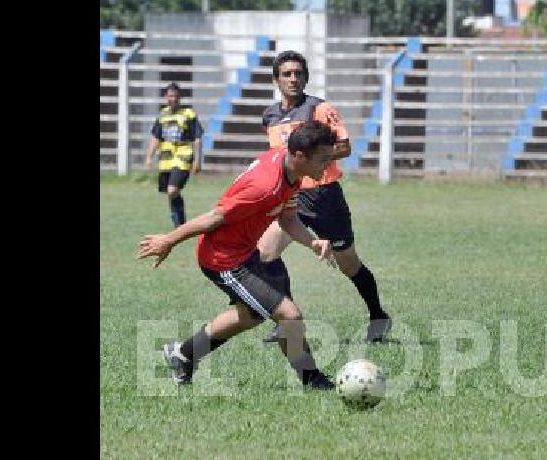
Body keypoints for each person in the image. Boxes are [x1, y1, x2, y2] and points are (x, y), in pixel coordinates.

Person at [137, 121, 340, 390]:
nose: (327, 166)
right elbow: (215, 216)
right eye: (323, 159)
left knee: (251, 315)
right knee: (289, 315)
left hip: (244, 252)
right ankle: (312, 380)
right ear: (300, 155)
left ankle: (183, 355)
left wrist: (312, 243)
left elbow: (288, 218)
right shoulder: (264, 186)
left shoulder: (291, 168)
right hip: (223, 259)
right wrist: (169, 240)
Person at [255, 50, 392, 344]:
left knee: (348, 264)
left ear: (306, 77)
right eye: (287, 74)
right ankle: (285, 318)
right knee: (265, 254)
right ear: (276, 80)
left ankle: (378, 316)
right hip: (289, 195)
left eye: (298, 73)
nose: (293, 79)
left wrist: (316, 157)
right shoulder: (270, 116)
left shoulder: (319, 109)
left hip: (323, 196)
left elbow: (344, 146)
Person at [144, 83, 203, 228]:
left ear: (180, 98)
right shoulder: (162, 114)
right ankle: (178, 221)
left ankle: (180, 222)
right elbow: (156, 137)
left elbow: (197, 138)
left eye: (176, 96)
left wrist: (197, 160)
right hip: (166, 159)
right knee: (169, 192)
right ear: (165, 97)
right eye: (170, 96)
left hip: (183, 156)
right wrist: (149, 157)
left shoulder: (189, 114)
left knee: (172, 189)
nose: (173, 99)